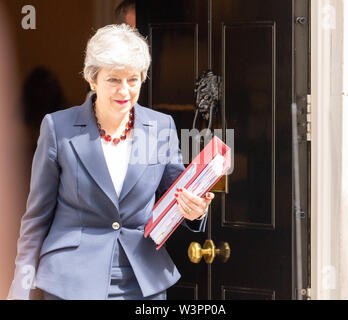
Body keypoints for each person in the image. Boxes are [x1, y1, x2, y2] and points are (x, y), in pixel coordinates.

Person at [7, 24, 214, 300]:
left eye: (133, 79)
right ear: (93, 79)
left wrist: (196, 210)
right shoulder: (58, 127)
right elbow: (36, 218)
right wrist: (19, 288)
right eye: (113, 80)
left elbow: (177, 193)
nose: (124, 90)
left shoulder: (162, 127)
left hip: (142, 282)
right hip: (71, 281)